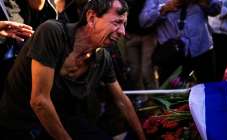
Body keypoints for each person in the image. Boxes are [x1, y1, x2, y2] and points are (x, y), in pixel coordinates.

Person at [0, 0, 145, 140]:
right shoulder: (51, 32)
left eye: (124, 24)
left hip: (63, 121)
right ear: (91, 17)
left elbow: (122, 101)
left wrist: (142, 137)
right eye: (117, 22)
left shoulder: (102, 57)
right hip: (22, 126)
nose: (123, 32)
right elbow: (39, 101)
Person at [140, 0, 221, 84]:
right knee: (171, 95)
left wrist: (201, 1)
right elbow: (144, 21)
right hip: (172, 55)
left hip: (203, 50)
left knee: (208, 91)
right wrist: (164, 8)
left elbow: (217, 8)